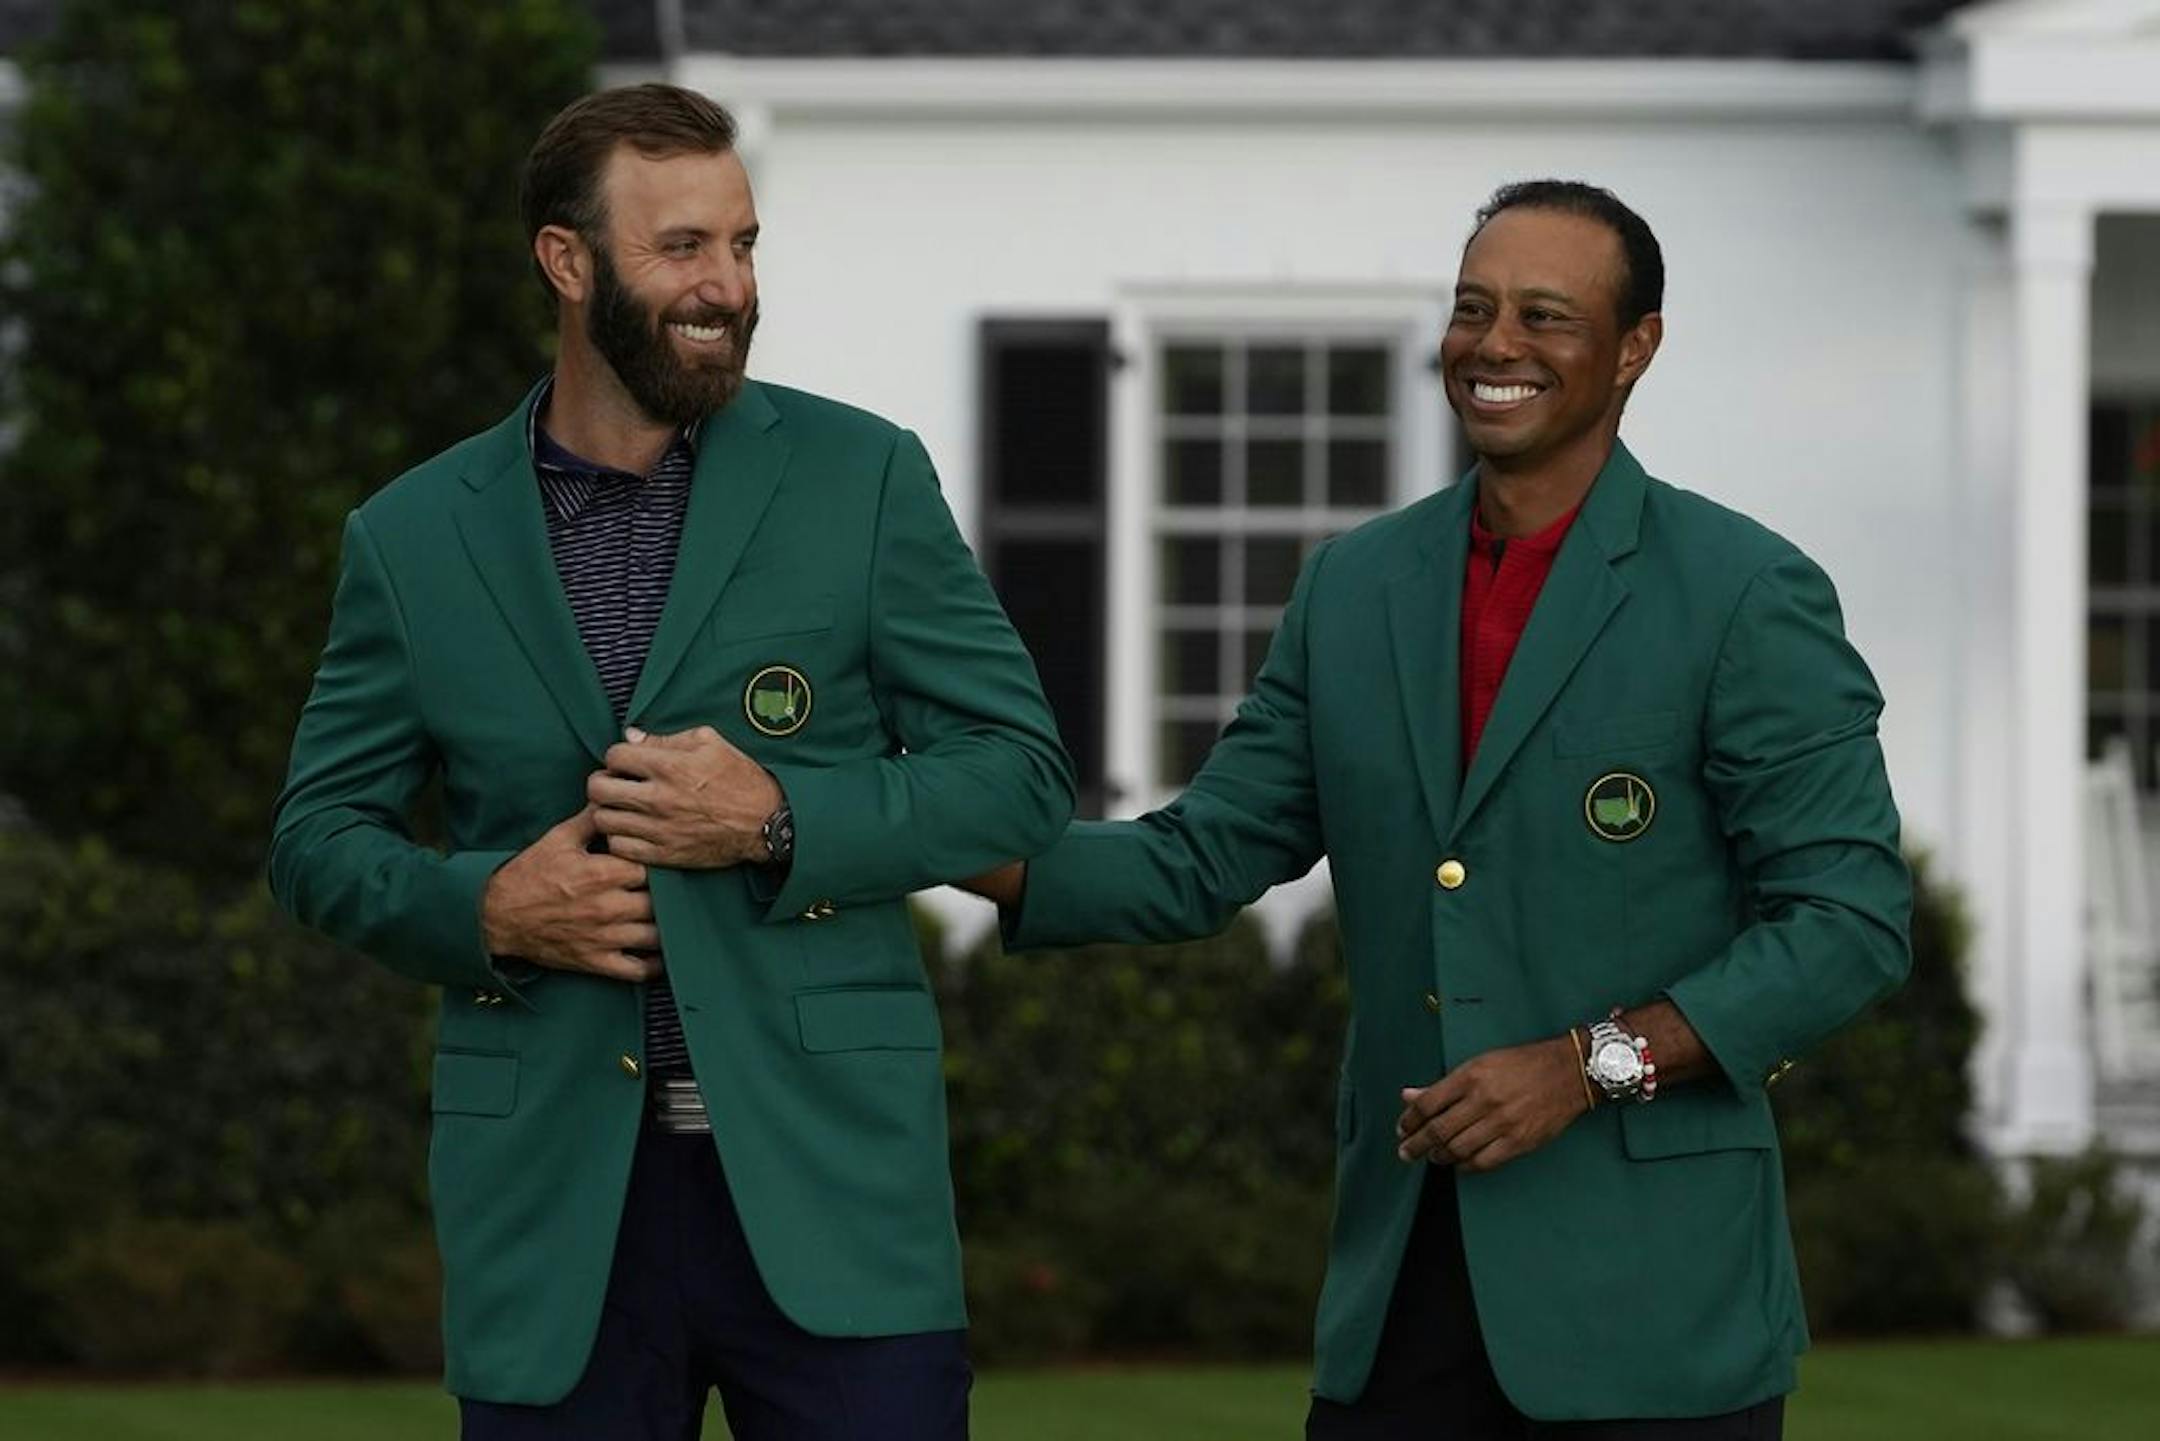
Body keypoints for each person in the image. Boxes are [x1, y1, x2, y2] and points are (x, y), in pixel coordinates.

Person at [967, 180, 1910, 1439]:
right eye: (1473, 308)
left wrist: (1588, 1065)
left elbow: (1849, 921)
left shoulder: (1745, 592)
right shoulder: (1353, 588)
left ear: (1637, 347)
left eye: (1545, 315)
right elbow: (1200, 856)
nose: (1495, 344)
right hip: (1401, 1293)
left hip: (1656, 1319)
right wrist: (892, 829)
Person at [270, 83, 1072, 1441]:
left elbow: (1019, 776)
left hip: (831, 1184)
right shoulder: (410, 538)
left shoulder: (862, 478)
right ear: (567, 261)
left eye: (744, 245)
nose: (727, 287)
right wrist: (482, 910)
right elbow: (315, 838)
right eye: (683, 248)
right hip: (555, 1210)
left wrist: (780, 820)